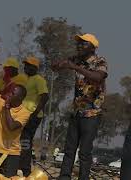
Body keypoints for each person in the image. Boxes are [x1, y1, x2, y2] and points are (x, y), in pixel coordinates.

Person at [52, 33, 108, 180]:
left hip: (92, 114)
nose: (79, 46)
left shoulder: (99, 61)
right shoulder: (76, 59)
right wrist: (59, 65)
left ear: (92, 47)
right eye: (79, 43)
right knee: (69, 149)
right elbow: (55, 67)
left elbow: (98, 77)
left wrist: (75, 67)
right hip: (76, 112)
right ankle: (64, 177)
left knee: (84, 151)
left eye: (84, 43)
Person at [18, 56, 49, 177]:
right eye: (25, 65)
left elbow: (45, 96)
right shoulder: (24, 78)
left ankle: (25, 169)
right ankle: (22, 167)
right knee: (23, 141)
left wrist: (34, 113)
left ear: (35, 68)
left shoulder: (39, 79)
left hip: (32, 116)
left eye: (29, 65)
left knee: (25, 141)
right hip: (22, 115)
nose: (26, 67)